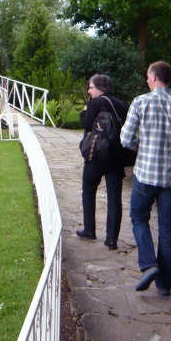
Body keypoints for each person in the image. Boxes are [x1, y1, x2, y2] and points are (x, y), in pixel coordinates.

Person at [120, 61, 171, 296]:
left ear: (155, 78)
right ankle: (164, 284)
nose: (146, 80)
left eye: (147, 76)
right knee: (167, 229)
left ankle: (149, 264)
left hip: (145, 174)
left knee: (138, 218)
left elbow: (125, 139)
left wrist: (142, 146)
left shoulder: (141, 102)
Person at [77, 74, 129, 250]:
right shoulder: (122, 105)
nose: (89, 91)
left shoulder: (96, 103)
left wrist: (84, 111)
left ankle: (89, 230)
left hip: (98, 155)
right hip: (118, 156)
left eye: (91, 87)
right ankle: (112, 239)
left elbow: (87, 124)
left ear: (99, 88)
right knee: (115, 197)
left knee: (88, 189)